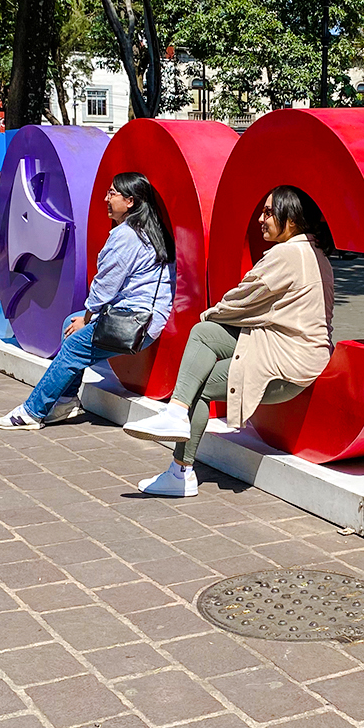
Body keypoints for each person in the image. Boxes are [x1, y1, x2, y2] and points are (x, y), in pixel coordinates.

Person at [124, 185, 335, 498]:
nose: (261, 219)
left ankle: (180, 471)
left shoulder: (288, 254)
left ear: (291, 221)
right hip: (289, 350)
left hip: (287, 363)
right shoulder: (310, 252)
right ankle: (177, 415)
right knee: (204, 336)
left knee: (200, 378)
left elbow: (243, 297)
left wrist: (211, 314)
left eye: (268, 212)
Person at [0, 173, 175, 431]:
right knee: (70, 323)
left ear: (131, 201)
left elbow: (106, 285)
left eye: (112, 193)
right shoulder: (151, 231)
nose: (106, 198)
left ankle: (31, 412)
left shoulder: (126, 235)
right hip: (145, 318)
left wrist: (88, 317)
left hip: (133, 323)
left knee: (73, 345)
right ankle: (67, 401)